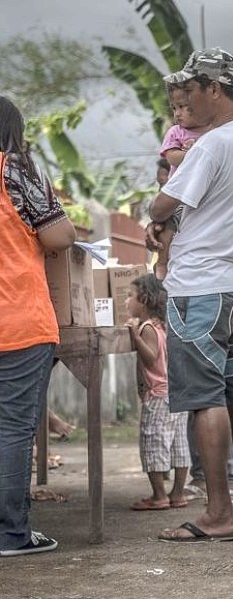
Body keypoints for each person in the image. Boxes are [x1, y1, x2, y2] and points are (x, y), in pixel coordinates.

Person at [147, 48, 233, 542]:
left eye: (191, 91)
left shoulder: (212, 145)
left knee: (204, 399)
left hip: (200, 287)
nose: (184, 103)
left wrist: (160, 212)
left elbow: (162, 204)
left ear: (214, 89)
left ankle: (216, 511)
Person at [0, 95, 76, 557]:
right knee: (11, 428)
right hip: (17, 320)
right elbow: (61, 236)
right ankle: (10, 535)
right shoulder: (16, 169)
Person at [125, 274, 190, 511]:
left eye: (129, 296)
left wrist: (134, 335)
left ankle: (159, 495)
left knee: (154, 441)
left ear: (144, 299)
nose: (126, 302)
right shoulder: (166, 324)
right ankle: (178, 493)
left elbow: (150, 358)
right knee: (178, 443)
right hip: (176, 392)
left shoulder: (147, 328)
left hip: (158, 395)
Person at [152, 88, 213, 281]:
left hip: (204, 192)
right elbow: (172, 156)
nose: (177, 113)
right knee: (168, 228)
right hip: (180, 193)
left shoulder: (213, 132)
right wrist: (194, 154)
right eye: (174, 108)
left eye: (183, 107)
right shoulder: (176, 132)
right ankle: (162, 262)